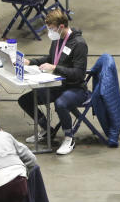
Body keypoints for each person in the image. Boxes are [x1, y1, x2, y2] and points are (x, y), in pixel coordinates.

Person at [18, 9, 89, 156]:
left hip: (75, 88)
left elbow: (79, 73)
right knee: (26, 100)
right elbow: (50, 58)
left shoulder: (79, 44)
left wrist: (55, 68)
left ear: (61, 27)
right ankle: (47, 130)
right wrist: (30, 62)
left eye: (51, 29)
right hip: (56, 84)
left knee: (61, 104)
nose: (50, 32)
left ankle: (69, 137)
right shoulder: (57, 40)